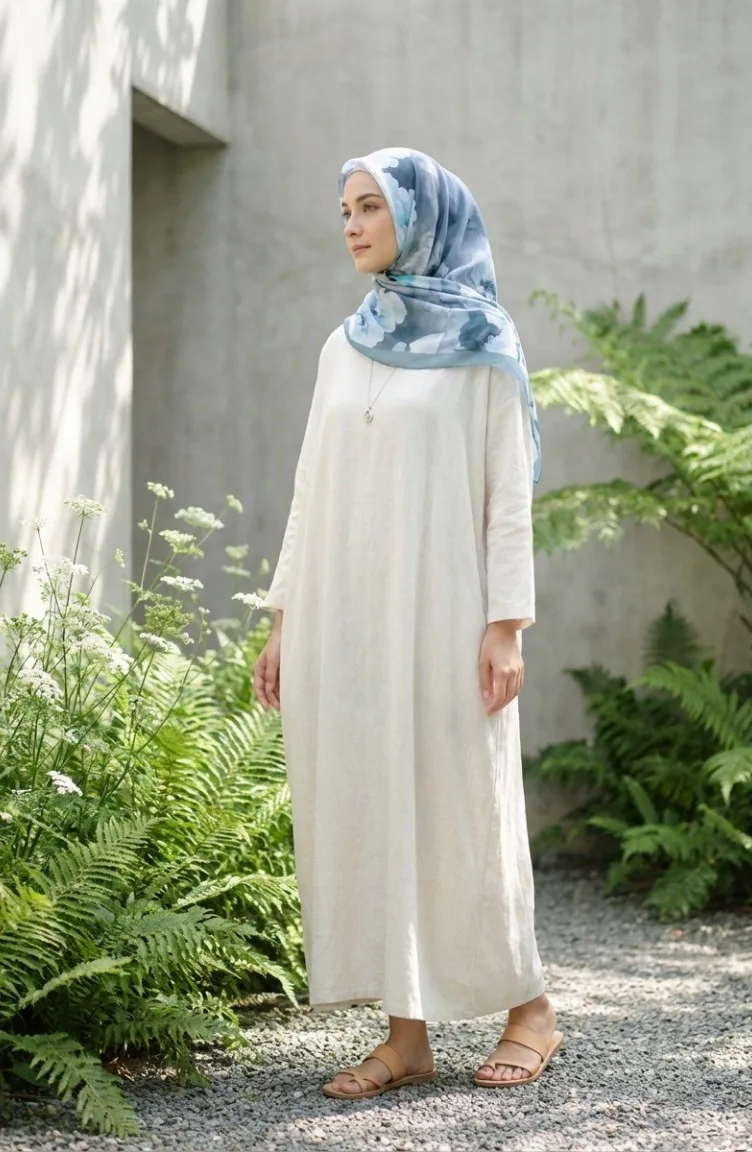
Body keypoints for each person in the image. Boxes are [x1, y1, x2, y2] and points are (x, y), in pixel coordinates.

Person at [254, 147, 562, 1099]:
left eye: (369, 207)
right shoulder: (344, 344)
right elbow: (310, 488)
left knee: (466, 801)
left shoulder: (484, 341)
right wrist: (284, 616)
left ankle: (530, 1009)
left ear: (420, 218)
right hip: (347, 614)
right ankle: (406, 1033)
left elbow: (508, 492)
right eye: (344, 209)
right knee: (373, 801)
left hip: (448, 615)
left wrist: (507, 622)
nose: (351, 225)